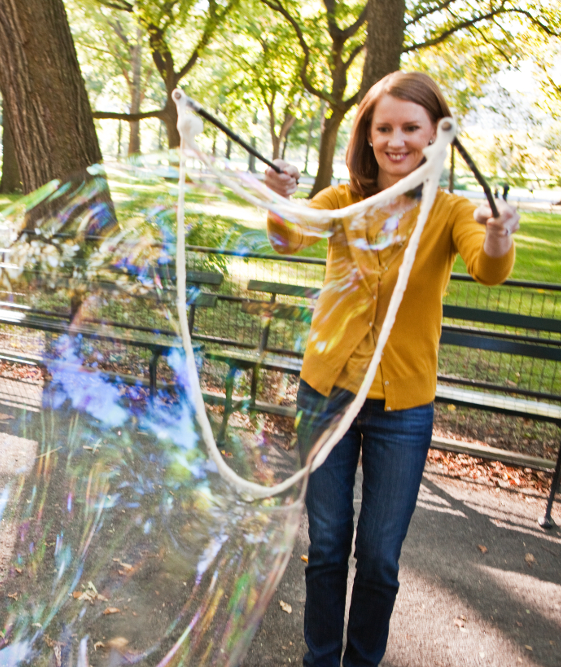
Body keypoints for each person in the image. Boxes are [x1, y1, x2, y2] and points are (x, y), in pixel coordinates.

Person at [262, 71, 520, 667]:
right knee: (326, 545)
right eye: (385, 128)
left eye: (411, 128)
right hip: (326, 395)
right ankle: (320, 659)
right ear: (368, 135)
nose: (396, 140)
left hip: (402, 410)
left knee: (378, 556)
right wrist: (279, 199)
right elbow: (290, 236)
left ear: (435, 136)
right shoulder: (343, 198)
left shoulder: (451, 211)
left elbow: (488, 267)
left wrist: (501, 236)